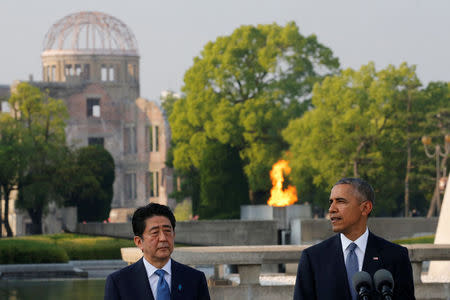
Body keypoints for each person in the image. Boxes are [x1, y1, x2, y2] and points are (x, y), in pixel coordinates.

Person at [293, 178, 415, 300]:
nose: (332, 209)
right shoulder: (313, 258)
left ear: (366, 208)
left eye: (340, 201)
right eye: (331, 202)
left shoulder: (396, 256)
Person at [104, 203, 210, 300]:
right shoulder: (119, 282)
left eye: (167, 231)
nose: (163, 238)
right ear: (139, 242)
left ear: (174, 235)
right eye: (155, 233)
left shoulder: (195, 279)